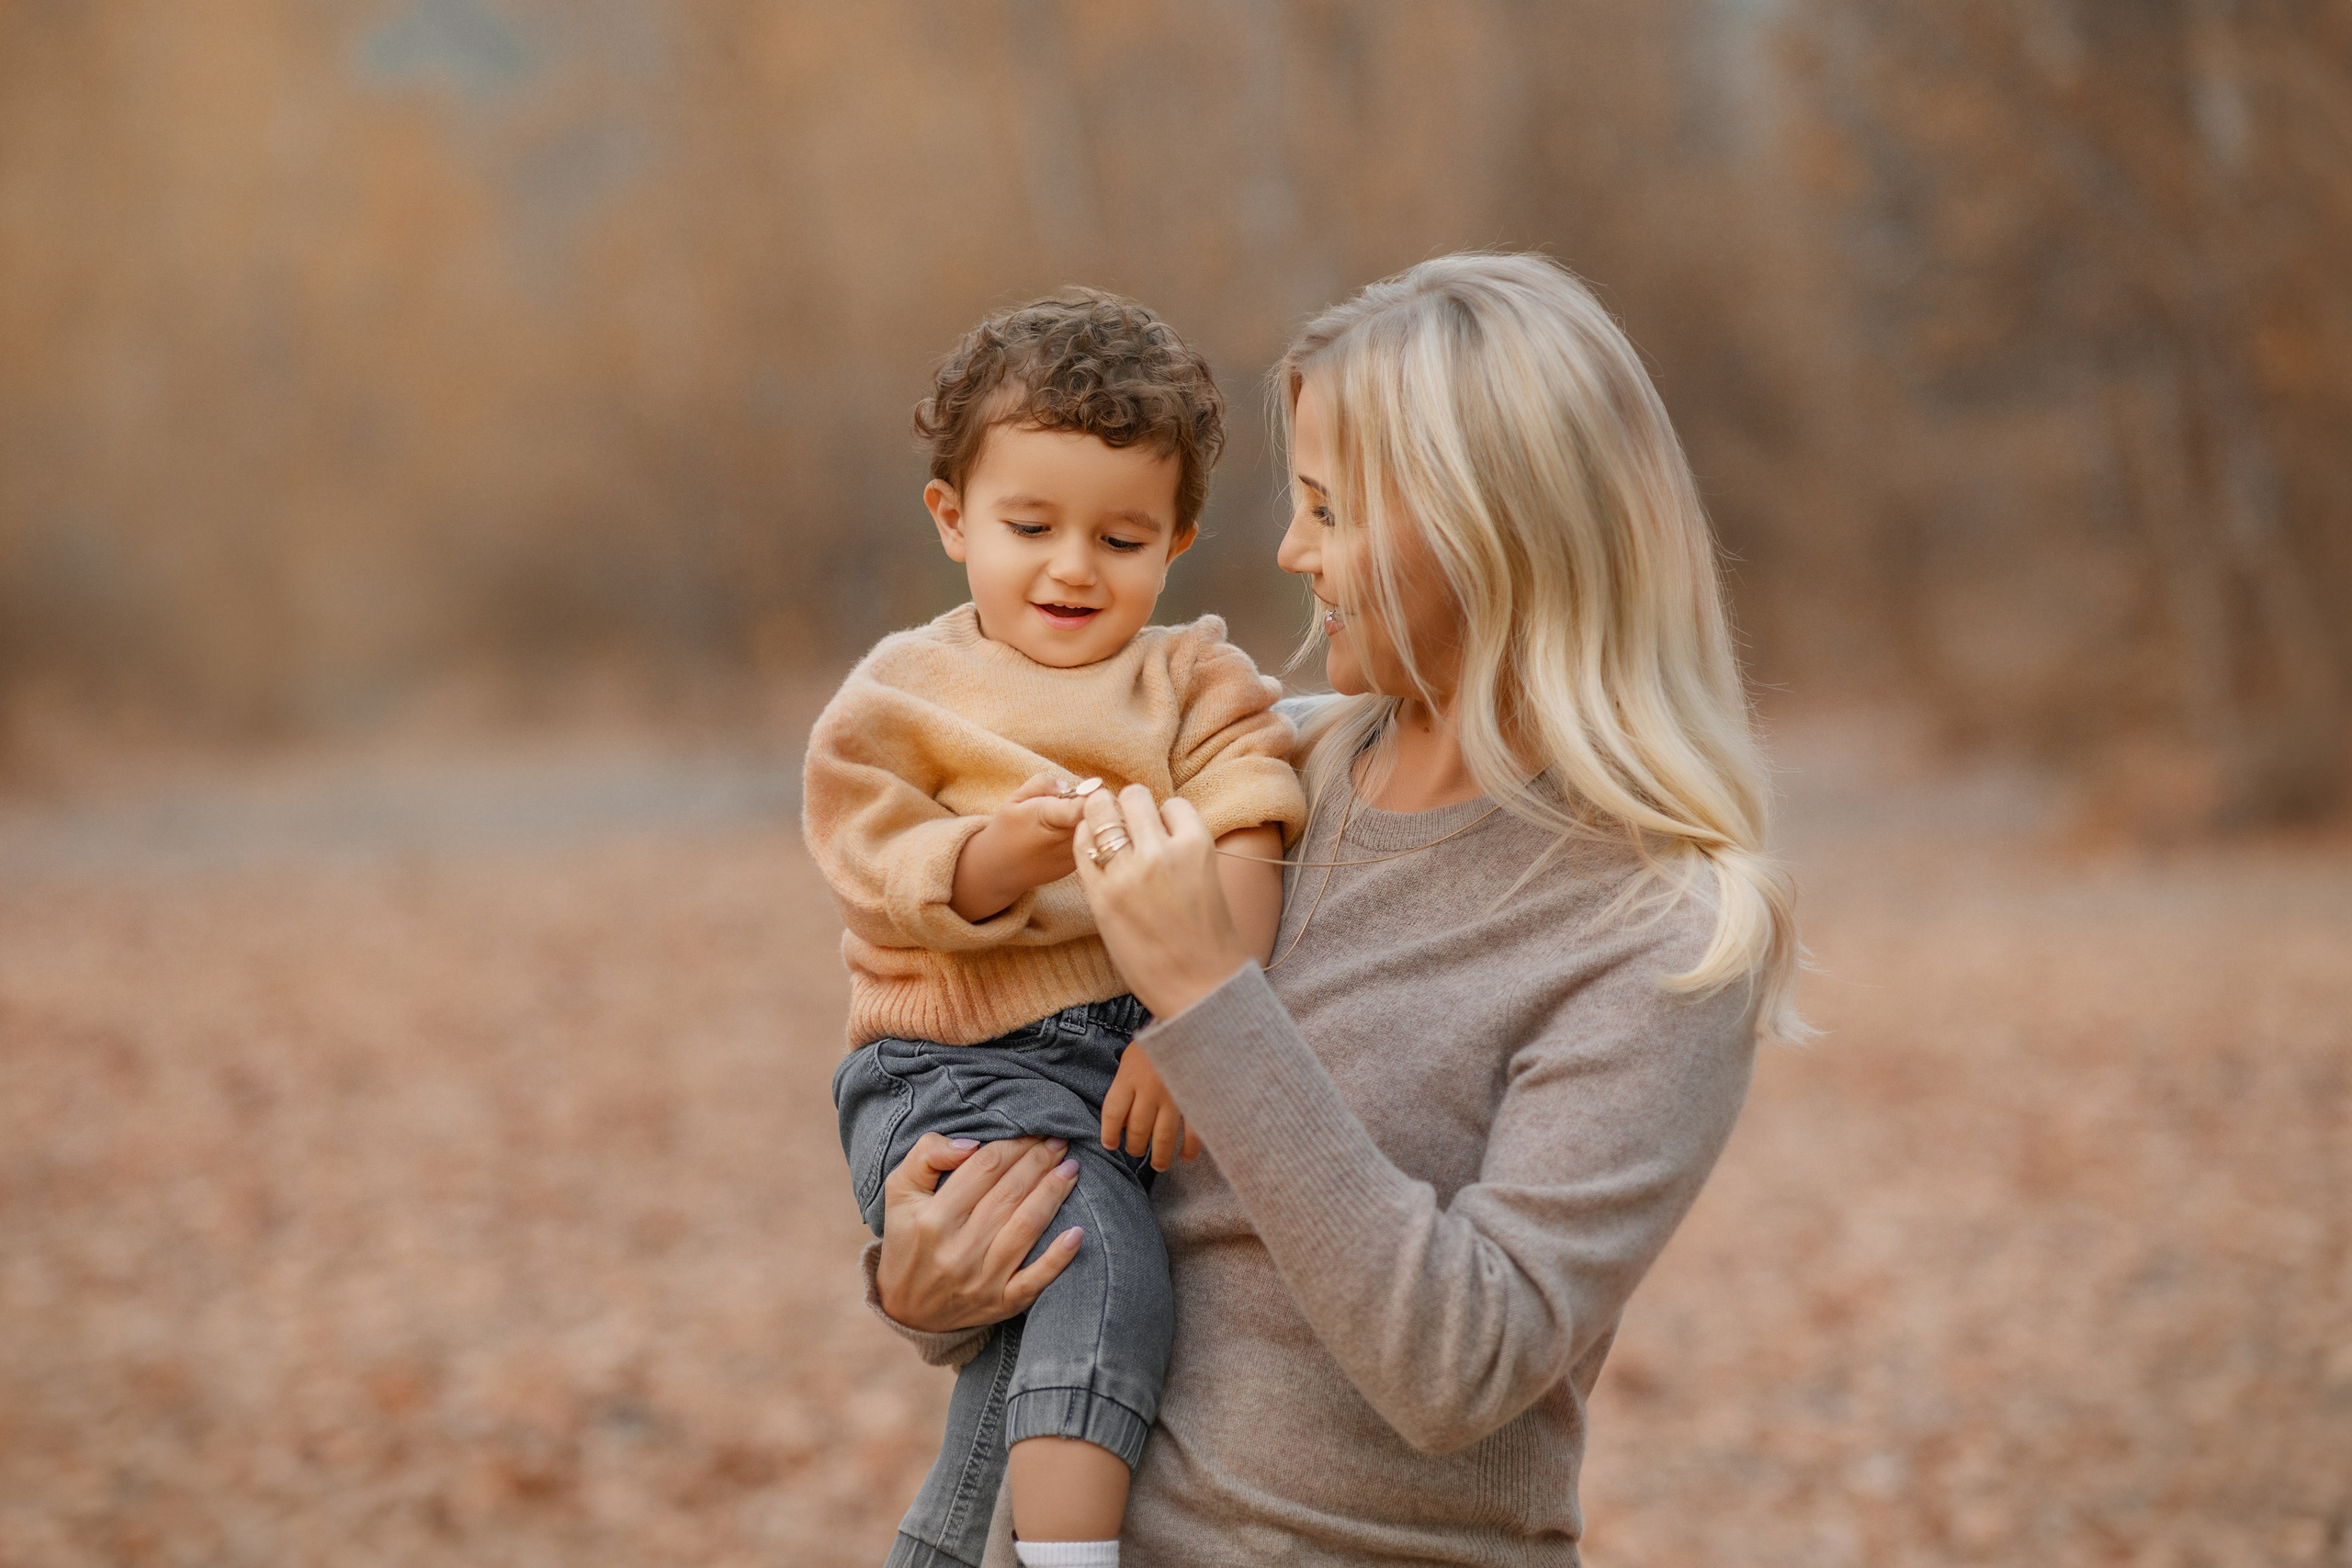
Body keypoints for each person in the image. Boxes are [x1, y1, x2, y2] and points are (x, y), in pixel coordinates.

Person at [856, 253, 1806, 1566]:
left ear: (1496, 529)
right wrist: (926, 1281)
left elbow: (1464, 1366)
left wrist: (1211, 1003)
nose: (1292, 550)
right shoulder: (1264, 779)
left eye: (1328, 508)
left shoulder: (1662, 934)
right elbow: (1047, 1130)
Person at [803, 289, 1308, 1568]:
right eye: (1031, 526)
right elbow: (872, 867)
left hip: (1134, 1062)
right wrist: (992, 857)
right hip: (949, 1068)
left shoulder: (1198, 686)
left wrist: (1203, 1031)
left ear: (1180, 540)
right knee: (1096, 1255)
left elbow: (1249, 841)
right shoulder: (904, 694)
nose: (1074, 567)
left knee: (1035, 1325)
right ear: (952, 516)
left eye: (1123, 538)